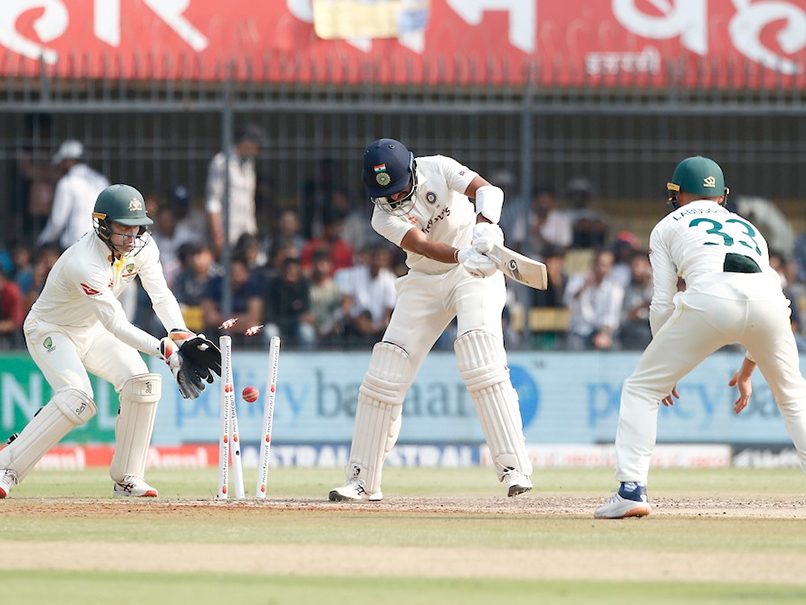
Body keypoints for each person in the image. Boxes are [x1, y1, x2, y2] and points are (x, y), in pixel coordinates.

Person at [595, 157, 806, 519]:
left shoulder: (665, 226)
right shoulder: (749, 229)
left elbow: (661, 302)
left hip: (710, 299)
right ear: (721, 197)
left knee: (642, 389)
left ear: (677, 195)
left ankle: (631, 489)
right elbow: (758, 295)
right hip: (771, 304)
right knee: (793, 397)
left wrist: (666, 368)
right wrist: (749, 367)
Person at [329, 138, 533, 501]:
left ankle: (514, 468)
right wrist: (462, 253)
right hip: (425, 278)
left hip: (476, 274)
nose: (395, 199)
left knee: (480, 355)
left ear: (411, 170)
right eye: (386, 194)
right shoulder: (383, 216)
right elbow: (421, 245)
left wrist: (484, 227)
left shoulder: (436, 166)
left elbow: (488, 190)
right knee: (384, 374)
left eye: (399, 189)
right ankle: (362, 480)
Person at [0, 184, 214, 499]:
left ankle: (127, 477)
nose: (131, 238)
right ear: (102, 224)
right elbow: (116, 323)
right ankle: (7, 467)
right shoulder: (84, 262)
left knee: (142, 383)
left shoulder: (143, 246)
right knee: (77, 398)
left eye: (136, 228)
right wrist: (164, 349)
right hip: (51, 330)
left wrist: (180, 334)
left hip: (92, 331)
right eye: (122, 229)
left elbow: (160, 294)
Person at [36, 140, 110, 250]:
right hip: (102, 240)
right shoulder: (101, 180)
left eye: (61, 162)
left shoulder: (67, 182)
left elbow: (57, 221)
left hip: (76, 243)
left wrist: (42, 240)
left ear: (67, 161)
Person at [205, 125, 266, 258]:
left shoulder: (249, 164)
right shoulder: (221, 162)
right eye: (256, 146)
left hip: (247, 230)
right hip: (228, 232)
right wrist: (217, 235)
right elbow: (213, 202)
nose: (257, 151)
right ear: (245, 142)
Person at [563, 249, 624, 351]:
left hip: (603, 333)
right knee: (573, 345)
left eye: (607, 265)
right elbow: (567, 302)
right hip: (579, 332)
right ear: (593, 264)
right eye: (600, 264)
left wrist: (604, 335)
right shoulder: (577, 279)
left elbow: (611, 316)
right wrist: (583, 287)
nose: (602, 269)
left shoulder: (615, 288)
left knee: (613, 347)